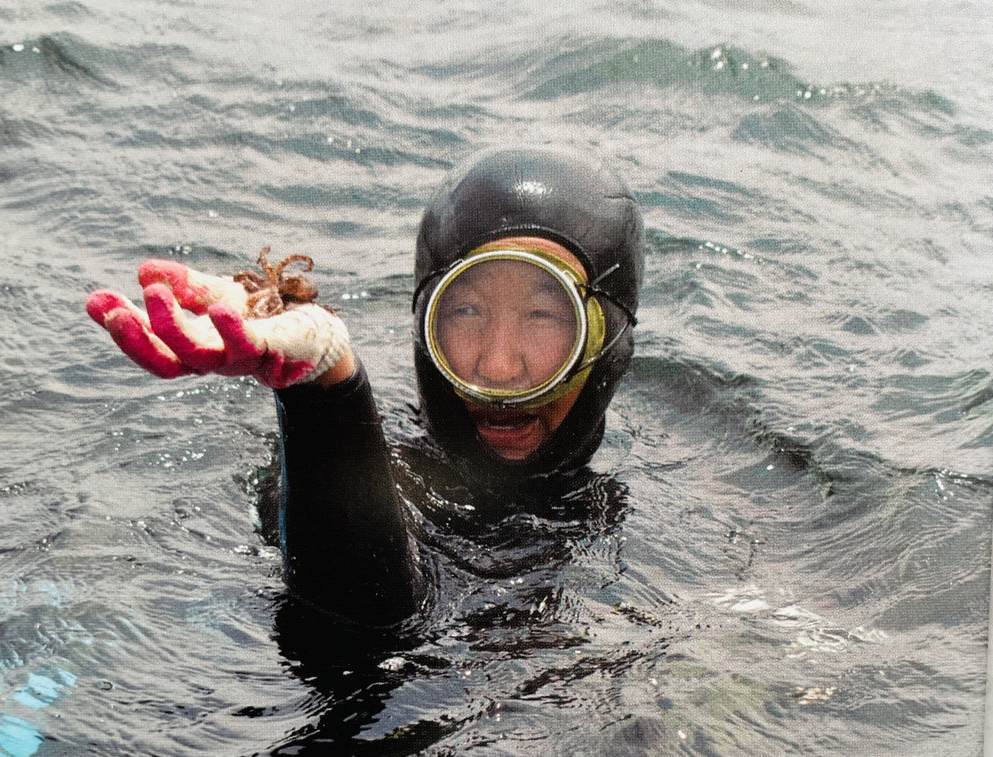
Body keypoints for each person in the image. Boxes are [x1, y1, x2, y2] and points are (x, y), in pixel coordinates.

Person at [86, 146, 644, 626]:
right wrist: (323, 385)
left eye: (545, 317)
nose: (497, 367)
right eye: (467, 310)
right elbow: (367, 613)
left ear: (610, 340)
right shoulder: (385, 470)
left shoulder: (681, 494)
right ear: (424, 320)